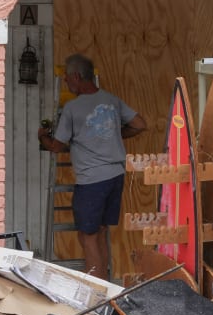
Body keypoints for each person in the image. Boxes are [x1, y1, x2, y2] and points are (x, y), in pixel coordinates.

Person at [38, 54, 147, 281]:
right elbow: (139, 124)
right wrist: (115, 134)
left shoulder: (72, 108)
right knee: (101, 232)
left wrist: (43, 138)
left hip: (92, 180)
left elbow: (57, 147)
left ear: (77, 76)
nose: (67, 82)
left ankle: (95, 290)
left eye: (68, 78)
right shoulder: (112, 100)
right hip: (116, 175)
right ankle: (105, 286)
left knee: (88, 236)